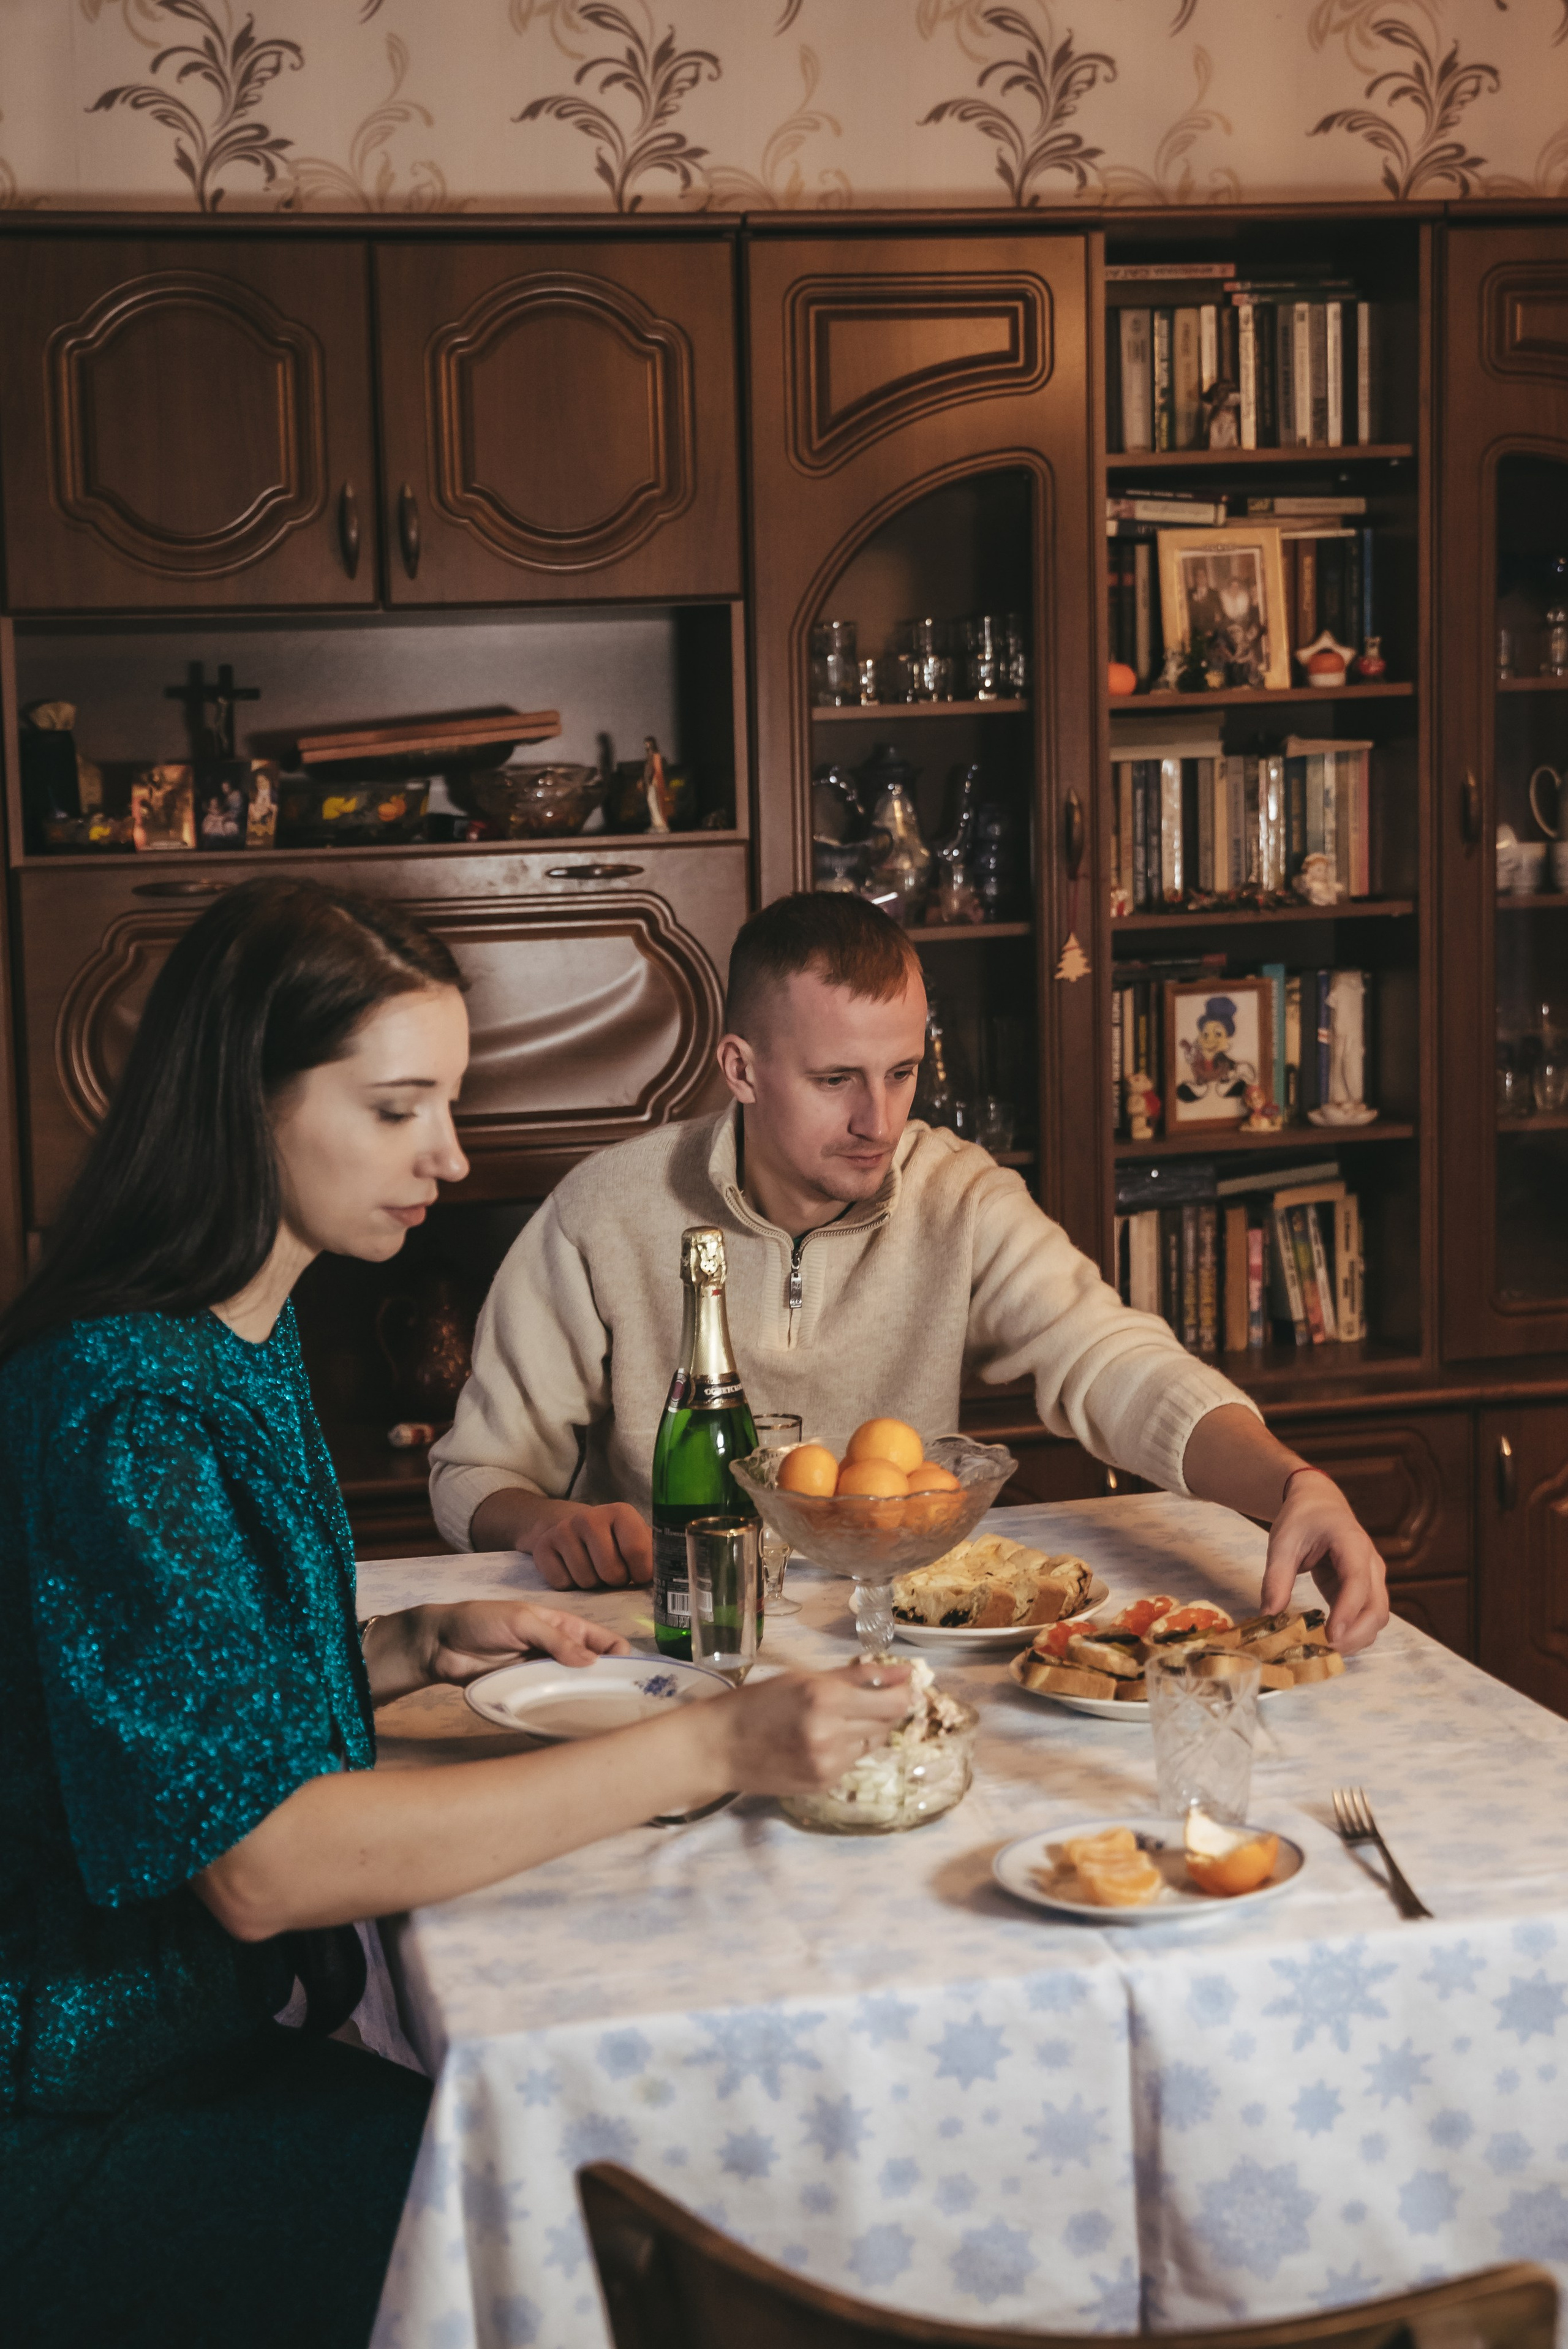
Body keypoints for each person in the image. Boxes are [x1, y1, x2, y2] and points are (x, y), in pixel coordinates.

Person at [0, 878, 910, 2349]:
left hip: (191, 2048)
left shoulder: (232, 1331)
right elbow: (261, 1862)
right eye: (397, 1108)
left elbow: (153, 1708)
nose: (452, 1153)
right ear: (248, 1102)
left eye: (453, 1101)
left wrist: (403, 1646)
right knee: (624, 2211)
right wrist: (708, 1751)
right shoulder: (128, 1405)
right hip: (76, 2111)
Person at [432, 892, 1389, 1652]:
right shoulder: (604, 1210)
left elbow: (1113, 1360)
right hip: (672, 1644)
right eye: (836, 1079)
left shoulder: (959, 1195)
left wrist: (1292, 1482)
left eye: (901, 1073)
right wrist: (541, 1522)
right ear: (741, 1067)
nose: (879, 1122)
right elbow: (474, 1471)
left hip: (907, 1639)